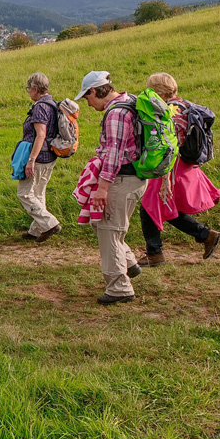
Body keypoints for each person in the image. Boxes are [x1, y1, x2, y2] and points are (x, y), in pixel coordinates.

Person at [137, 73, 220, 266]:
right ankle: (204, 235)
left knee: (151, 205)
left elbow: (168, 142)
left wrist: (165, 174)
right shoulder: (187, 105)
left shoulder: (167, 110)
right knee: (162, 205)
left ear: (158, 91)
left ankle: (156, 253)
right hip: (184, 162)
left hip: (170, 163)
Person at [76, 71, 146, 305]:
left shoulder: (115, 113)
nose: (88, 104)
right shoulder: (131, 101)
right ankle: (129, 263)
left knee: (109, 230)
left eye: (87, 98)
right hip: (135, 178)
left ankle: (119, 287)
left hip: (121, 180)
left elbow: (114, 153)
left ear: (94, 91)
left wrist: (102, 187)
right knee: (109, 227)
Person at [16, 72, 63, 243]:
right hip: (50, 155)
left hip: (40, 156)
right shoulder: (52, 104)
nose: (28, 92)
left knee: (24, 194)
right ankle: (37, 230)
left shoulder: (40, 107)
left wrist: (31, 160)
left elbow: (40, 135)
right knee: (38, 192)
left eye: (29, 89)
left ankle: (50, 224)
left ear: (35, 89)